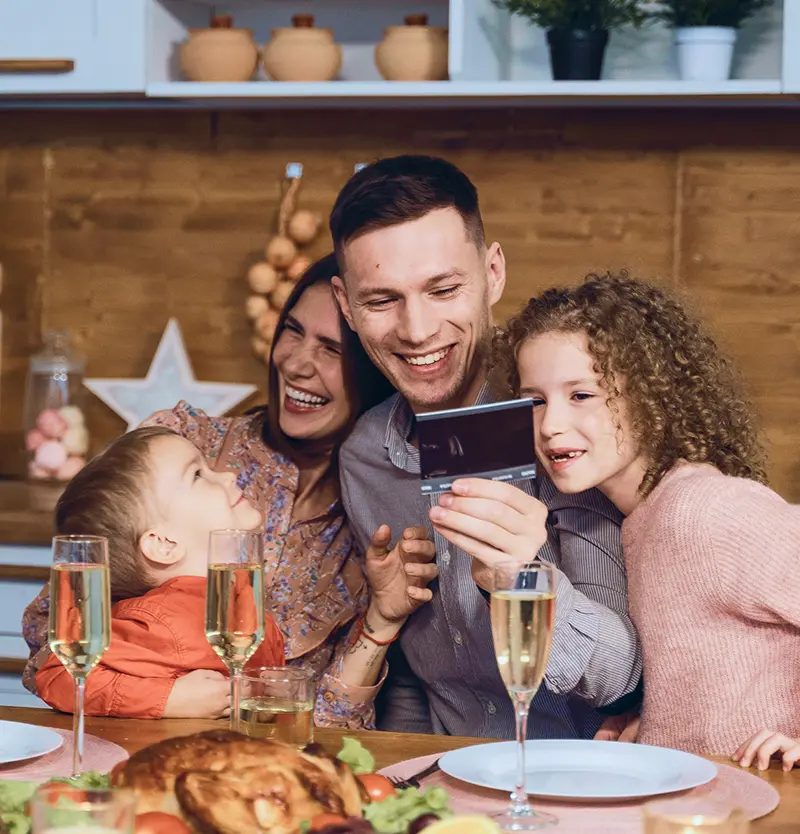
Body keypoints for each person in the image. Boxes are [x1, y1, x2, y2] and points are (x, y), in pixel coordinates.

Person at [21, 253, 437, 728]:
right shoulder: (182, 442)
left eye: (332, 349)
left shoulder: (377, 515)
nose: (297, 362)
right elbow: (50, 647)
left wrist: (381, 620)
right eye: (293, 331)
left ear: (376, 371)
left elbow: (327, 724)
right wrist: (165, 696)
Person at [329, 154, 642, 738]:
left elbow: (626, 675)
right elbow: (415, 681)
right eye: (380, 301)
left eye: (443, 289)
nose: (417, 329)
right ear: (346, 306)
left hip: (579, 789)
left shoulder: (569, 430)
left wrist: (522, 577)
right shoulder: (365, 456)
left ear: (493, 272)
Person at [494, 271, 800, 759]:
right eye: (535, 401)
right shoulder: (640, 520)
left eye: (581, 395)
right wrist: (657, 714)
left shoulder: (703, 511)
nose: (550, 425)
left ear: (650, 395)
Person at [36, 426, 286, 719]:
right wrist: (170, 699)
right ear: (164, 544)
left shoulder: (237, 601)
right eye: (197, 475)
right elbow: (59, 675)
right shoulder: (162, 621)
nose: (229, 474)